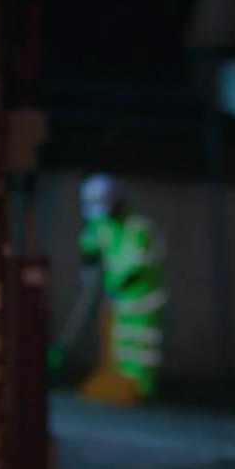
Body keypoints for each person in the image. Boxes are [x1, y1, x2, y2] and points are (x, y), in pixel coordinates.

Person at [73, 174, 168, 406]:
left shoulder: (139, 229)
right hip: (118, 300)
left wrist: (114, 283)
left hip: (143, 300)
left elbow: (137, 266)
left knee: (140, 347)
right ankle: (120, 383)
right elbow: (90, 244)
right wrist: (89, 264)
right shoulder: (103, 226)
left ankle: (141, 390)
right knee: (117, 345)